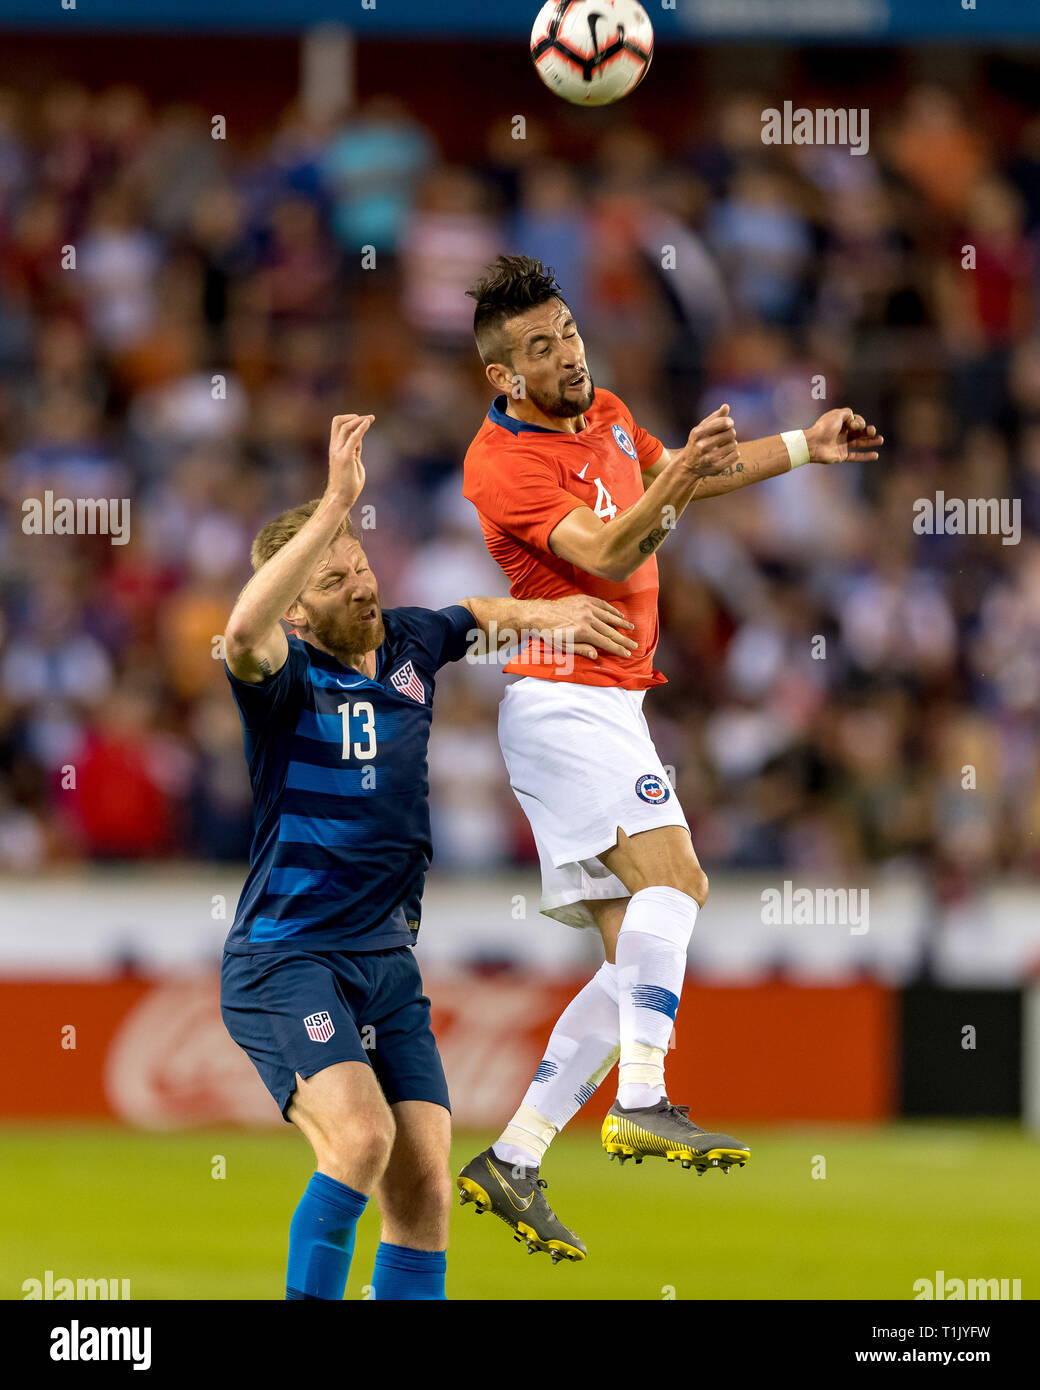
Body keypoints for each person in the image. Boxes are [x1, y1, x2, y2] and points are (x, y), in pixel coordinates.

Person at [456, 256, 884, 1262]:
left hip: (606, 705)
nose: (563, 352)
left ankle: (514, 1155)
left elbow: (680, 476)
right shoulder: (500, 463)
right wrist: (678, 479)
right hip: (563, 699)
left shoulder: (603, 408)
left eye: (563, 331)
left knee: (630, 957)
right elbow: (603, 552)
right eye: (536, 348)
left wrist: (804, 448)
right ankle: (642, 1098)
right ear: (498, 375)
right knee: (680, 882)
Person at [219, 411, 634, 1298]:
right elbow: (239, 631)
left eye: (361, 563)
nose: (361, 586)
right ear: (298, 605)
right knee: (361, 1141)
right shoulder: (282, 680)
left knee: (423, 1187)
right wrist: (337, 501)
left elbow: (476, 617)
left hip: (385, 961)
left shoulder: (409, 642)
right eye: (335, 579)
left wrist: (552, 617)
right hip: (287, 956)